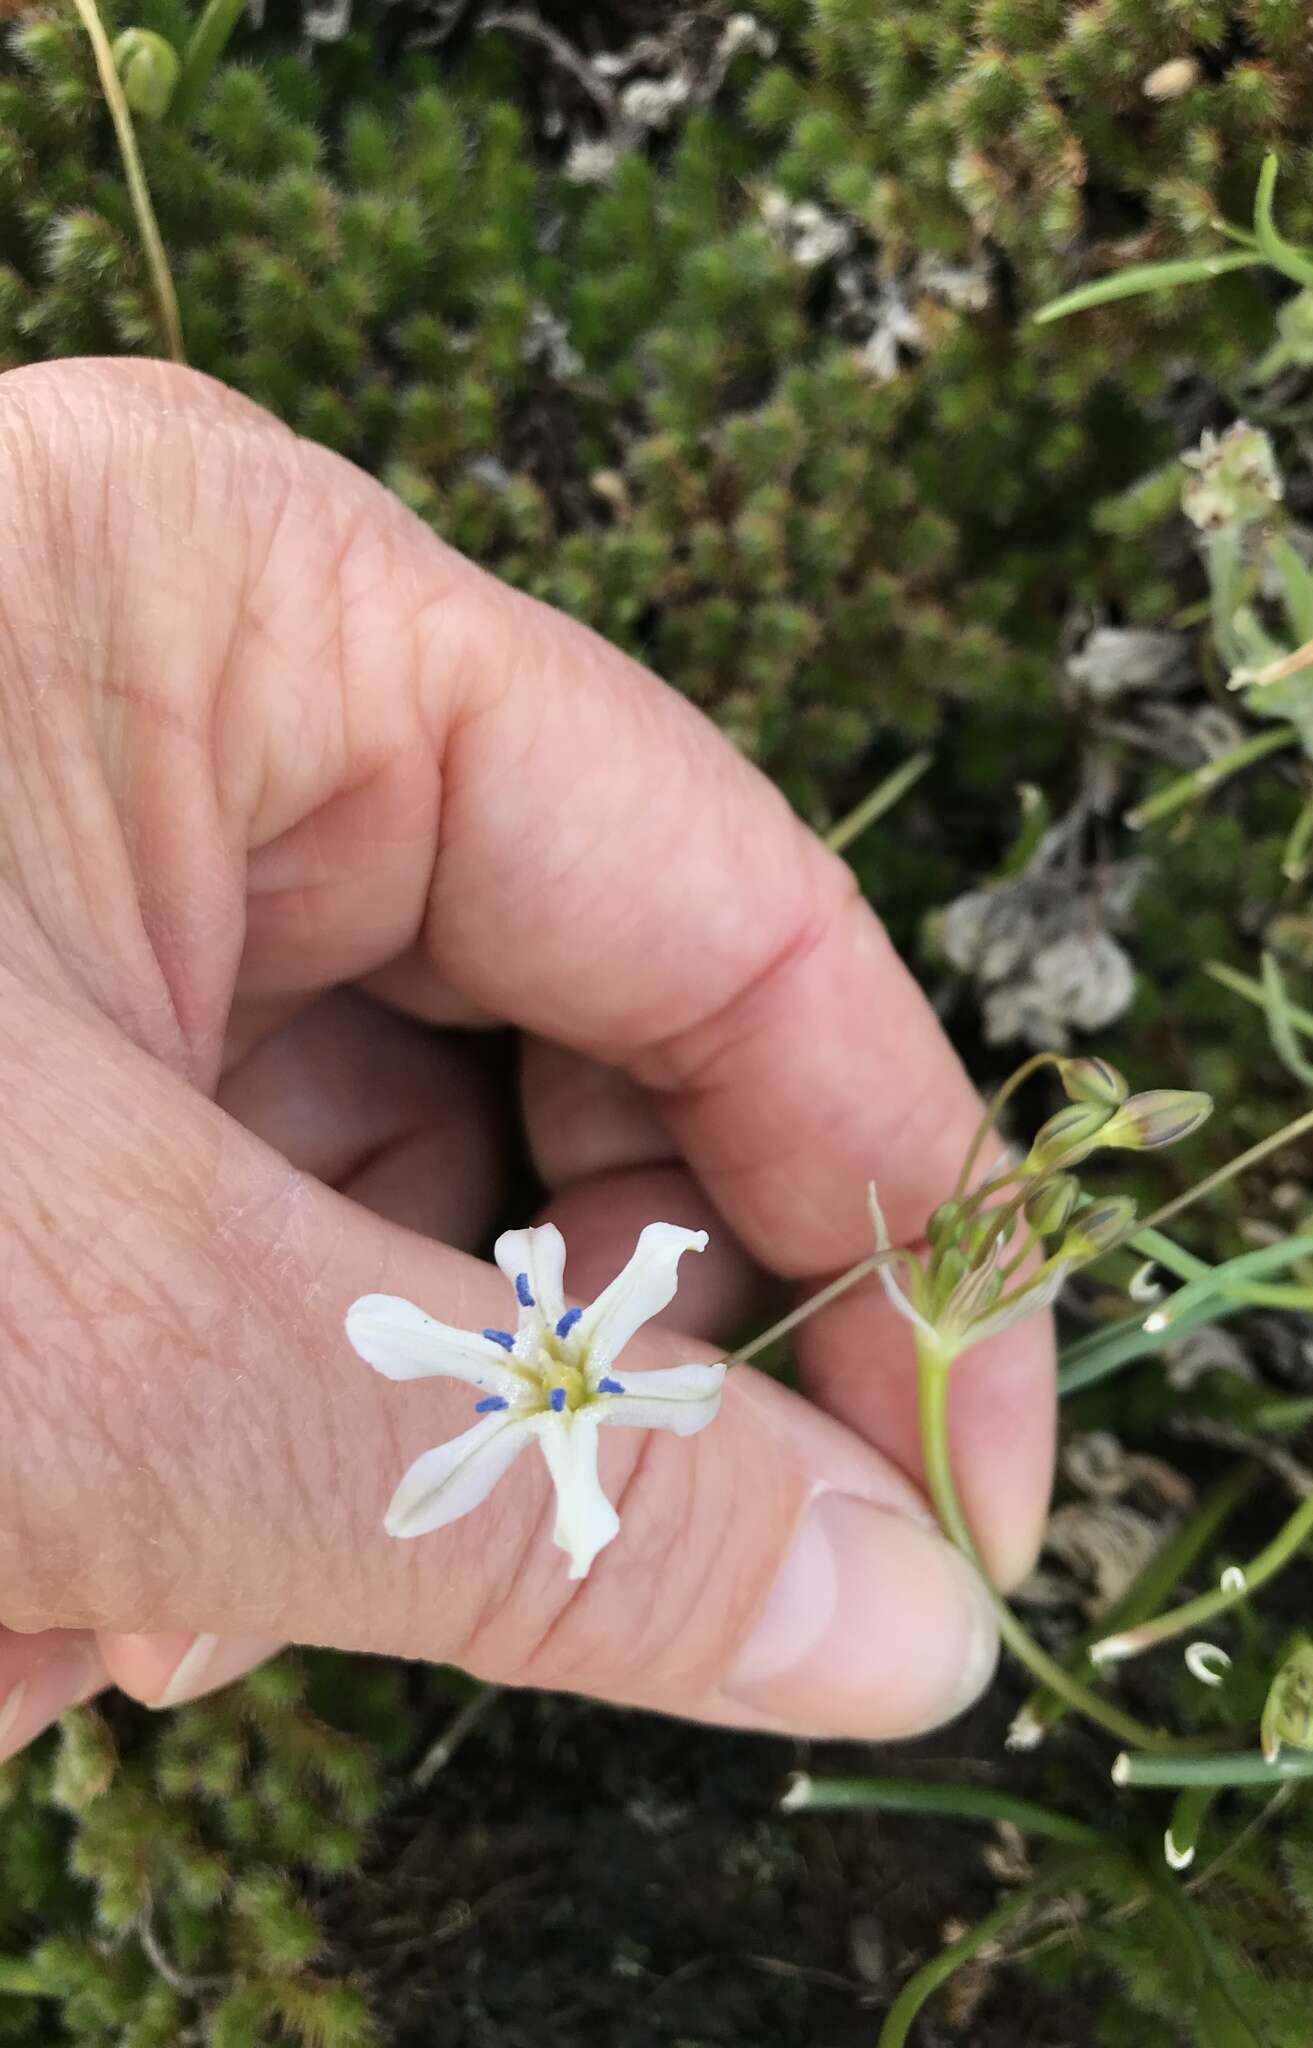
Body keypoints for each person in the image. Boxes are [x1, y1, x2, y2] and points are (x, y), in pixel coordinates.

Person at [0, 358, 1054, 1759]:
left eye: (560, 1377)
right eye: (562, 1382)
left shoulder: (576, 1365)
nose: (564, 1382)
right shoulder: (554, 1408)